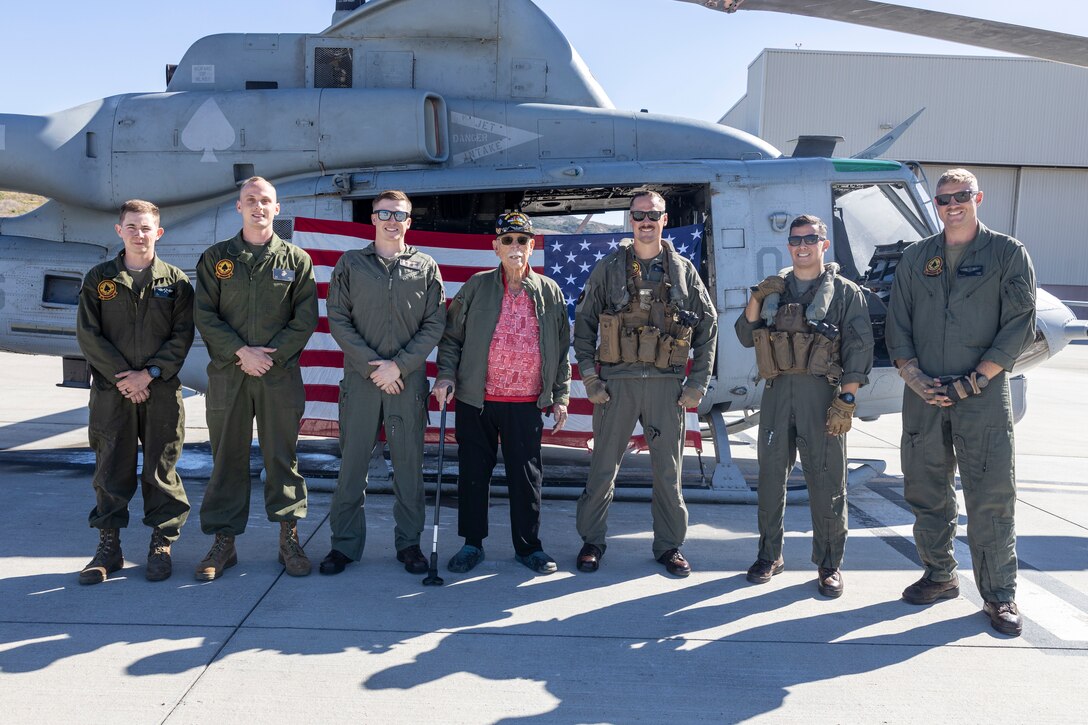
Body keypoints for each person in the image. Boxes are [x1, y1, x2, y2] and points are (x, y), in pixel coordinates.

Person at [886, 168, 1036, 636]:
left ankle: (999, 595)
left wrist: (977, 379)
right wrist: (913, 376)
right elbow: (898, 323)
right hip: (926, 396)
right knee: (926, 489)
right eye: (944, 198)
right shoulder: (917, 258)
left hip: (983, 398)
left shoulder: (1008, 254)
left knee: (990, 496)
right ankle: (939, 573)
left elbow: (1020, 324)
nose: (953, 204)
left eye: (961, 196)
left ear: (978, 198)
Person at [572, 191, 717, 577]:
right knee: (602, 469)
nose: (646, 221)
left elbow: (708, 327)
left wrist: (697, 382)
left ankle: (669, 546)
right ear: (630, 219)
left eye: (653, 214)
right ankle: (592, 541)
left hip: (666, 386)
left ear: (664, 219)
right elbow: (584, 325)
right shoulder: (608, 268)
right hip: (616, 384)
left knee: (668, 472)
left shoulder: (684, 271)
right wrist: (590, 377)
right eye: (639, 215)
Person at [734, 214, 873, 597]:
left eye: (810, 239)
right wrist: (758, 296)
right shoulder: (775, 290)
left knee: (827, 481)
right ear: (789, 246)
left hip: (822, 396)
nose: (802, 246)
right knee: (770, 479)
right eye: (796, 240)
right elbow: (746, 336)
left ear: (823, 244)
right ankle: (769, 555)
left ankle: (829, 564)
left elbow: (859, 351)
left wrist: (847, 400)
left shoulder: (844, 293)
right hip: (778, 393)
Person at [432, 211, 572, 575]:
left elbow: (560, 348)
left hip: (526, 403)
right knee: (473, 474)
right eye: (507, 240)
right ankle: (472, 544)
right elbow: (451, 339)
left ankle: (529, 547)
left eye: (522, 240)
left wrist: (560, 395)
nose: (515, 247)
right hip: (476, 399)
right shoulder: (476, 286)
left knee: (526, 478)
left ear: (531, 246)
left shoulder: (549, 290)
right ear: (495, 247)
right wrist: (445, 376)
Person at [193, 176, 318, 580]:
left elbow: (305, 319)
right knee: (226, 458)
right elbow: (205, 316)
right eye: (251, 200)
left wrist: (270, 356)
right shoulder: (217, 258)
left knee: (282, 458)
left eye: (265, 201)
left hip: (278, 376)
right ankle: (223, 543)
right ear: (239, 207)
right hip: (230, 375)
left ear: (276, 209)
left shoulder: (296, 260)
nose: (258, 207)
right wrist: (240, 353)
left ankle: (289, 538)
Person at [318, 190, 446, 576]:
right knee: (352, 468)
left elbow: (435, 323)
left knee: (408, 469)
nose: (392, 220)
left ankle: (409, 545)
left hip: (406, 384)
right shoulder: (351, 264)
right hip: (361, 382)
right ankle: (344, 546)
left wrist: (400, 367)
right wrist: (375, 368)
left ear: (409, 221)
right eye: (384, 213)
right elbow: (337, 318)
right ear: (372, 218)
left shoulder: (425, 266)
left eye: (400, 215)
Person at [75, 199, 195, 584]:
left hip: (159, 391)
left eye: (146, 228)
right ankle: (109, 549)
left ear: (158, 233)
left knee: (162, 470)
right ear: (119, 230)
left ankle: (161, 545)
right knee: (111, 469)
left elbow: (182, 336)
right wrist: (123, 377)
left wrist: (150, 374)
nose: (139, 234)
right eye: (132, 227)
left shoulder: (176, 282)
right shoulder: (99, 279)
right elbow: (88, 335)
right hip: (113, 393)